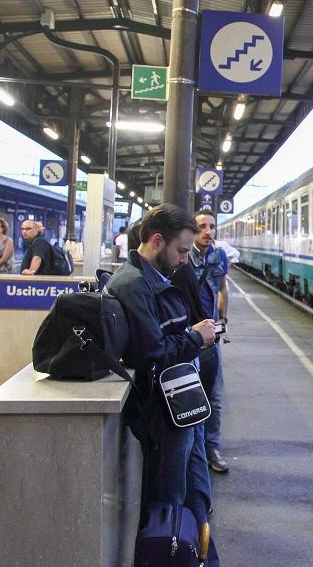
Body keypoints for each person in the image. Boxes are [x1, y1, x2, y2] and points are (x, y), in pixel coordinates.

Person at [104, 204, 216, 551]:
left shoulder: (147, 279)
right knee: (169, 496)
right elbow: (153, 352)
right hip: (163, 409)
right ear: (156, 241)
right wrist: (196, 337)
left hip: (179, 398)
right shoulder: (135, 286)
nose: (185, 259)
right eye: (181, 250)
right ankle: (173, 553)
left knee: (193, 486)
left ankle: (198, 552)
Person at [190, 208, 230, 474]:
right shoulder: (183, 257)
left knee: (214, 396)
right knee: (190, 394)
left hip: (212, 337)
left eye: (212, 226)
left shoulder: (219, 256)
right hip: (188, 336)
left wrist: (224, 317)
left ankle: (211, 448)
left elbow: (222, 287)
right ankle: (192, 449)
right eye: (202, 226)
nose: (208, 231)